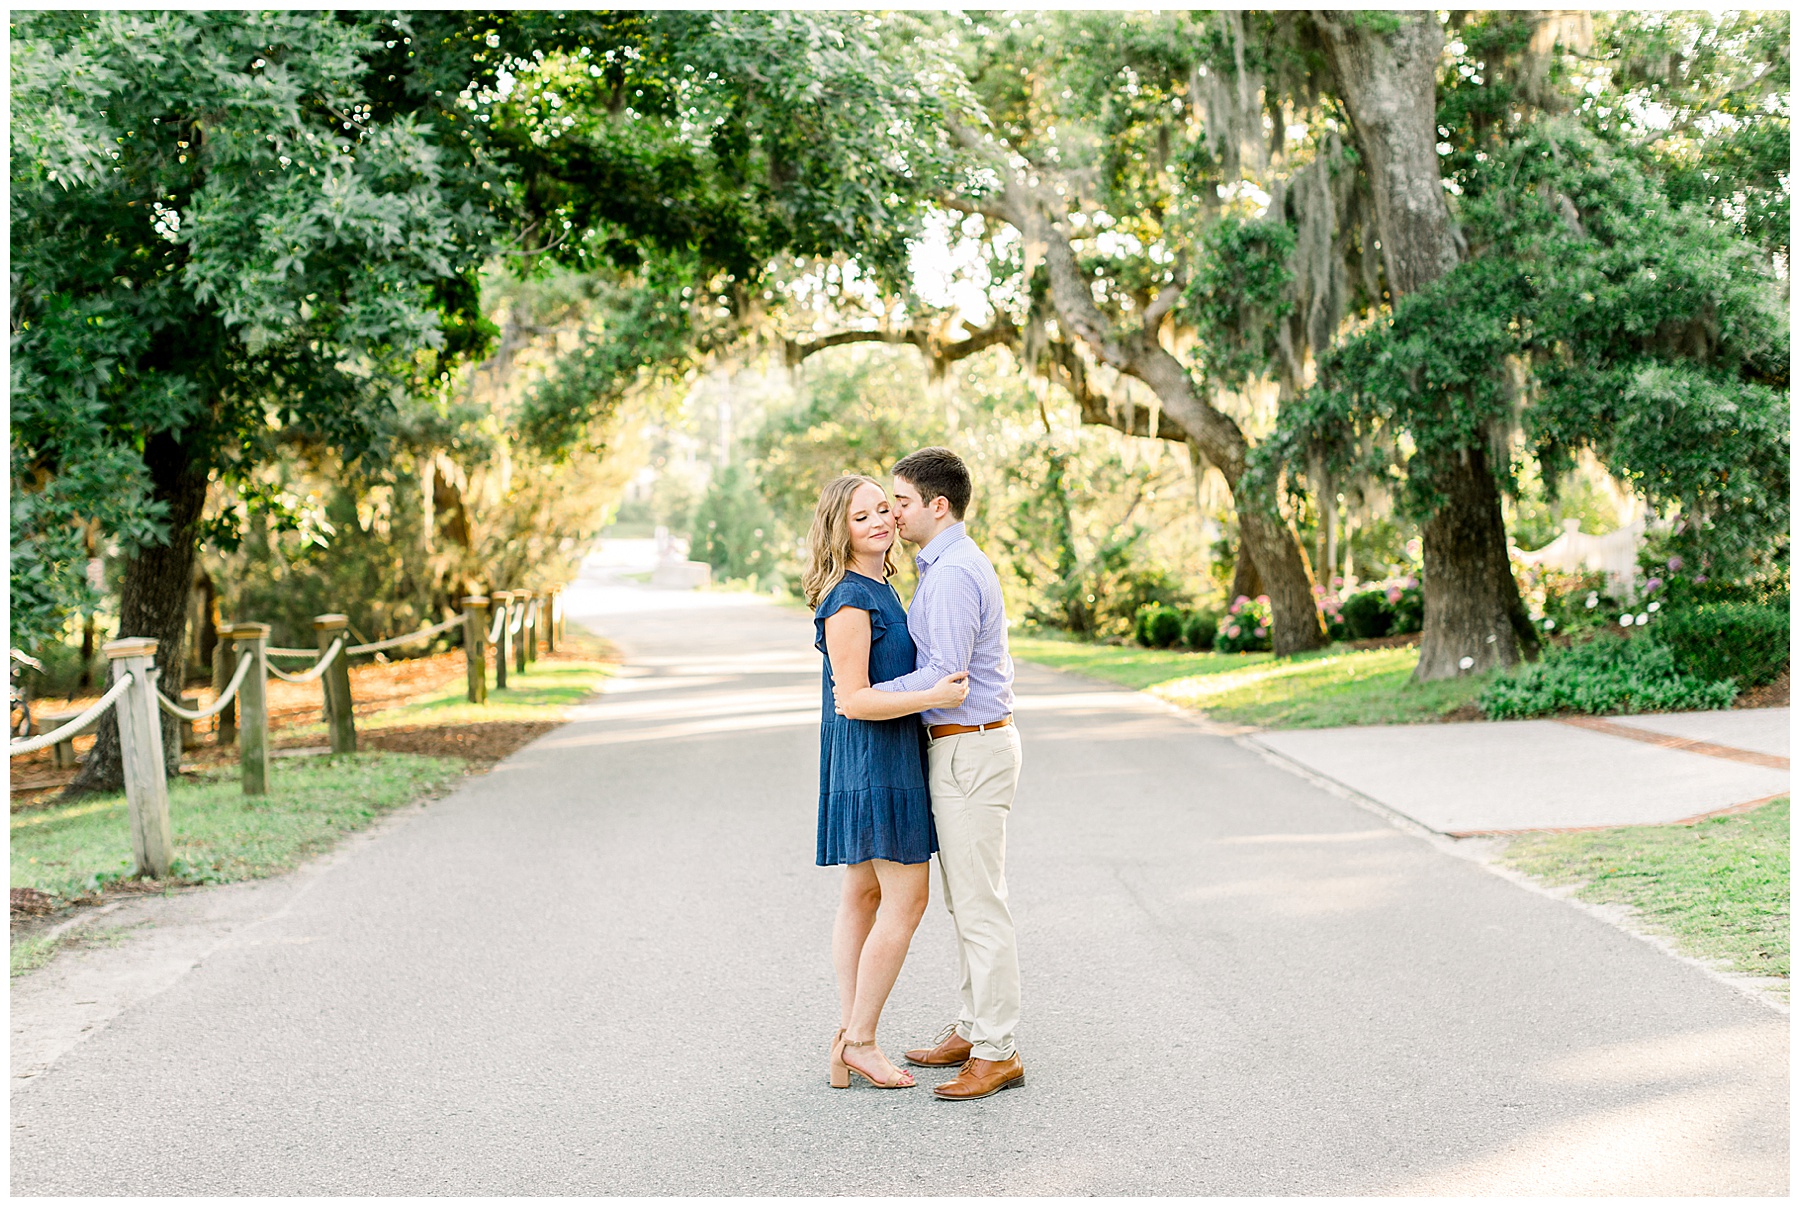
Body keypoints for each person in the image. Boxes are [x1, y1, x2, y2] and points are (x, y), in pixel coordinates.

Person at [838, 446, 1025, 1102]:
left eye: (903, 501)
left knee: (979, 905)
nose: (893, 512)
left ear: (937, 506)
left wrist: (866, 693)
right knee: (967, 900)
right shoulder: (944, 567)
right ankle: (976, 1027)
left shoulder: (948, 576)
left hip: (969, 746)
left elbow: (944, 674)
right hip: (962, 746)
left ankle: (997, 1048)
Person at [805, 474, 970, 1091]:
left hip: (883, 754)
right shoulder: (850, 599)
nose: (878, 521)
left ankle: (846, 1036)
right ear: (838, 529)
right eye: (860, 516)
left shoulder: (881, 587)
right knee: (907, 901)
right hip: (874, 760)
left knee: (864, 897)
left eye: (883, 508)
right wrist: (932, 694)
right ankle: (862, 1040)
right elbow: (851, 700)